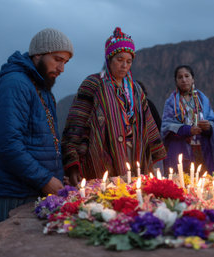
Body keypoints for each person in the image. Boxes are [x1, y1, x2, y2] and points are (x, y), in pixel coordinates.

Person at [0, 28, 73, 226]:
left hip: (33, 189)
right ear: (38, 54)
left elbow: (41, 140)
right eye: (57, 59)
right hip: (15, 194)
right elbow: (7, 144)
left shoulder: (41, 87)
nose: (62, 68)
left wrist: (56, 175)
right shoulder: (14, 85)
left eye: (65, 62)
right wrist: (45, 180)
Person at [62, 27, 166, 185]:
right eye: (119, 59)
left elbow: (148, 122)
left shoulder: (136, 89)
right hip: (102, 155)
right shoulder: (94, 83)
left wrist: (154, 152)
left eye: (129, 61)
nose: (124, 65)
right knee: (106, 199)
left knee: (132, 195)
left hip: (134, 154)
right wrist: (73, 163)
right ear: (109, 59)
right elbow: (76, 124)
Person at [161, 65, 214, 177]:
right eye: (180, 77)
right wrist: (188, 130)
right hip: (180, 151)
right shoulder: (171, 102)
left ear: (193, 79)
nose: (184, 80)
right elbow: (166, 126)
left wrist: (208, 127)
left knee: (203, 184)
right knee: (181, 183)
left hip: (202, 150)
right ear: (176, 81)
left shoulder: (202, 99)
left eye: (187, 76)